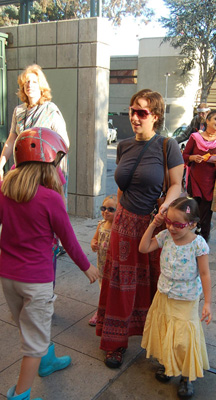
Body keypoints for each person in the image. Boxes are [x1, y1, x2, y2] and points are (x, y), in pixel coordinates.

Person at [0, 127, 98, 400]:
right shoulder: (50, 198)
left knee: (29, 325)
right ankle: (20, 395)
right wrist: (86, 266)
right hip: (36, 281)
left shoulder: (5, 188)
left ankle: (47, 361)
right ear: (51, 162)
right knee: (33, 343)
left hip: (8, 276)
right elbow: (68, 239)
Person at [96, 89, 184, 369]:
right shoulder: (123, 145)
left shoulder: (167, 146)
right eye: (133, 110)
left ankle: (158, 340)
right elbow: (122, 187)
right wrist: (116, 217)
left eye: (141, 112)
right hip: (124, 224)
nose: (134, 117)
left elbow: (175, 185)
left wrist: (165, 208)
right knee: (122, 283)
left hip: (153, 225)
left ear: (155, 116)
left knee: (158, 285)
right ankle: (115, 343)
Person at [139, 197, 211, 399]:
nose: (171, 227)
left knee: (184, 338)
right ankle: (167, 363)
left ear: (193, 224)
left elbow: (205, 274)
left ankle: (187, 376)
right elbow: (143, 248)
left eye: (178, 224)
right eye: (168, 221)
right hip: (164, 294)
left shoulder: (198, 244)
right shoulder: (164, 236)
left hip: (187, 299)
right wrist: (154, 224)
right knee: (165, 331)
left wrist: (207, 302)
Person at [0, 64, 70, 256]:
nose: (29, 85)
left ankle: (58, 241)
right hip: (24, 167)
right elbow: (12, 139)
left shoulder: (50, 110)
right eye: (26, 83)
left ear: (41, 86)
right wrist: (1, 162)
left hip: (47, 168)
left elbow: (64, 142)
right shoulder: (18, 112)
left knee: (50, 206)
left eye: (33, 81)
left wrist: (49, 167)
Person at [182, 111, 216, 241]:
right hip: (194, 181)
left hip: (212, 184)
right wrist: (193, 157)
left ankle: (203, 238)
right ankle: (188, 234)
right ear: (207, 121)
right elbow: (184, 156)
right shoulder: (195, 137)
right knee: (191, 209)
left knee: (206, 212)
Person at [88, 194, 117, 326]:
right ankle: (100, 310)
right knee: (103, 288)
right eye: (103, 208)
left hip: (113, 265)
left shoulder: (118, 228)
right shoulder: (101, 224)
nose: (106, 211)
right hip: (102, 264)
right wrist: (93, 243)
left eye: (111, 209)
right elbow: (94, 239)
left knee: (112, 290)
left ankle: (109, 311)